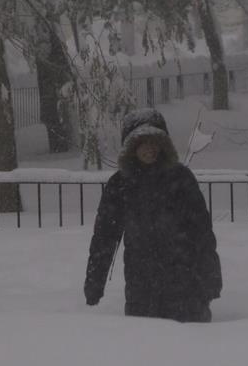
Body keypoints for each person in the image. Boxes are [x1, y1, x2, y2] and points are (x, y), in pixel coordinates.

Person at [84, 108, 222, 322]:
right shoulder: (120, 185)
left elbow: (202, 232)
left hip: (186, 283)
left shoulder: (181, 179)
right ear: (132, 147)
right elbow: (105, 236)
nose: (150, 148)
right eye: (143, 142)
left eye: (155, 141)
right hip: (142, 284)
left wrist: (210, 276)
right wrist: (95, 281)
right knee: (145, 348)